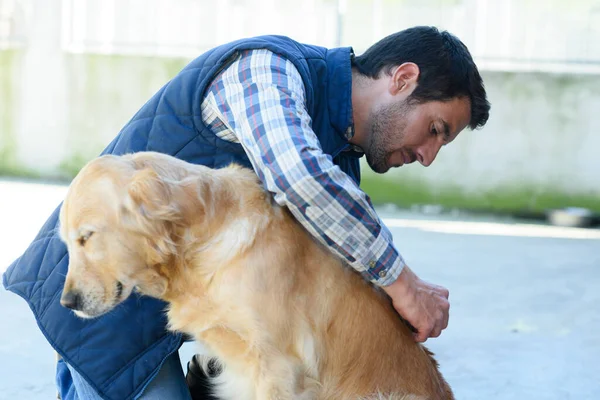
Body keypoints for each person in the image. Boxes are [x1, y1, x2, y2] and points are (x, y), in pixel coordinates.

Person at [3, 26, 489, 400]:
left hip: (183, 328)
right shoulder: (267, 71)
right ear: (403, 79)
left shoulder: (340, 159)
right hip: (109, 315)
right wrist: (403, 283)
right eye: (436, 129)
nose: (428, 155)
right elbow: (298, 176)